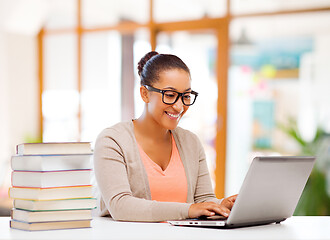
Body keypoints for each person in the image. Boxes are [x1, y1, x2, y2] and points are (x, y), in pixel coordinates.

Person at [94, 51, 237, 222]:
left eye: (185, 96)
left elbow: (203, 200)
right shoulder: (113, 141)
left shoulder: (190, 142)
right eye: (170, 95)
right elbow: (120, 206)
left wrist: (222, 204)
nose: (179, 106)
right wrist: (189, 209)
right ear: (144, 93)